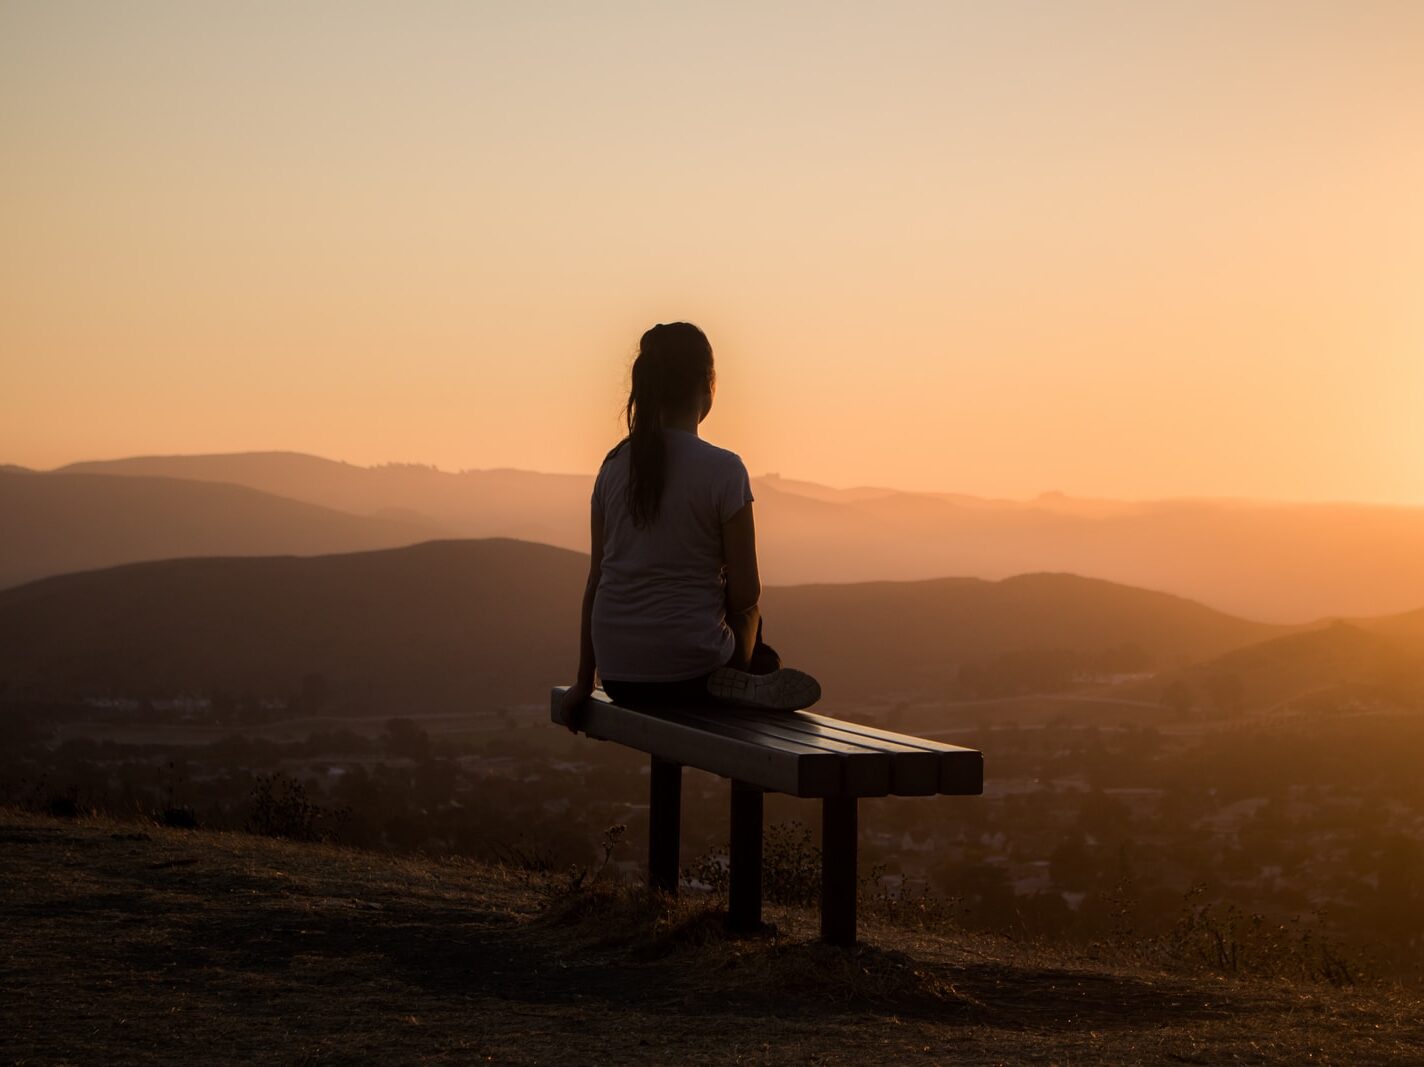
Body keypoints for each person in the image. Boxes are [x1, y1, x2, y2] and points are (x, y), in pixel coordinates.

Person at [560, 322, 820, 727]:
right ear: (708, 384)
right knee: (753, 617)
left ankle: (749, 675)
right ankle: (752, 675)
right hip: (693, 673)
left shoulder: (611, 468)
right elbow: (745, 593)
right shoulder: (724, 470)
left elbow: (596, 582)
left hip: (618, 676)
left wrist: (582, 681)